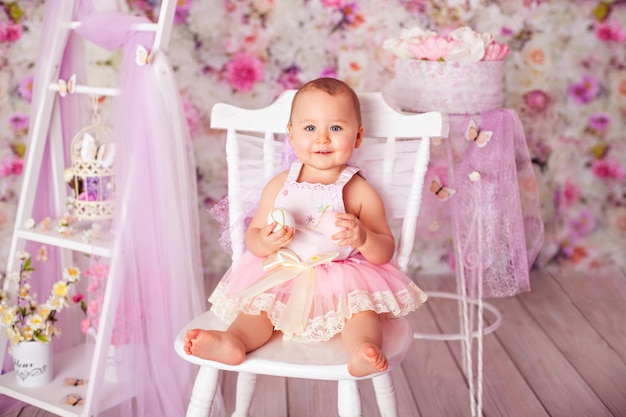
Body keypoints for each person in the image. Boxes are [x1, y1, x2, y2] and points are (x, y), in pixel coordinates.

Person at [184, 77, 427, 377]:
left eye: (336, 128)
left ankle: (362, 349)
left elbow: (385, 250)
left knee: (361, 313)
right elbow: (254, 237)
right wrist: (267, 241)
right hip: (285, 271)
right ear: (292, 135)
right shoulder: (279, 185)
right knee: (259, 309)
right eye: (310, 128)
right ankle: (234, 341)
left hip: (341, 275)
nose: (322, 138)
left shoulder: (359, 191)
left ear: (358, 136)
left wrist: (363, 238)